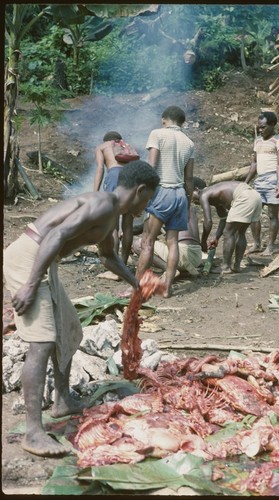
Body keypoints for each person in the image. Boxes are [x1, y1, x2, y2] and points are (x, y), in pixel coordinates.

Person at [3, 161, 159, 458]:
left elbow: (108, 257)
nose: (147, 205)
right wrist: (31, 284)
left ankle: (63, 401)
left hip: (45, 262)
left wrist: (135, 283)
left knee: (69, 329)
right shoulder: (101, 204)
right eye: (148, 198)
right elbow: (56, 236)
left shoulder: (110, 214)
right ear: (140, 191)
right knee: (42, 343)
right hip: (30, 257)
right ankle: (34, 433)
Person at [133, 105, 195, 298]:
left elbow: (151, 167)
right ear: (182, 122)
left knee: (147, 241)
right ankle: (167, 287)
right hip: (179, 195)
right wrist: (188, 202)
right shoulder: (189, 143)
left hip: (163, 192)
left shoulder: (157, 134)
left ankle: (136, 287)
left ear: (164, 120)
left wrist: (141, 196)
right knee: (173, 242)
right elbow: (189, 179)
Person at [132, 178, 206, 277]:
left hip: (183, 254)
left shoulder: (167, 204)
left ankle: (169, 269)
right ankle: (180, 267)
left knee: (139, 244)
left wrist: (127, 233)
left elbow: (147, 229)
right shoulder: (189, 208)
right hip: (197, 256)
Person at [192, 180, 262, 273]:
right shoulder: (215, 195)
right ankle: (236, 266)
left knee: (228, 232)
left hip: (243, 196)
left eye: (190, 195)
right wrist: (216, 237)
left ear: (197, 189)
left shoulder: (204, 194)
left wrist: (203, 242)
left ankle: (225, 267)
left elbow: (208, 221)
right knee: (240, 232)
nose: (192, 200)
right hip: (254, 196)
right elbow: (224, 219)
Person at [245, 111, 279, 256]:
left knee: (272, 215)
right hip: (260, 180)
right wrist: (246, 182)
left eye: (263, 127)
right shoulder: (257, 141)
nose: (261, 130)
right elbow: (254, 163)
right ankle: (256, 244)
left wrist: (278, 184)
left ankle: (270, 246)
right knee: (253, 213)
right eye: (259, 127)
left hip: (273, 179)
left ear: (272, 125)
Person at [93, 131, 136, 268]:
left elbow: (100, 168)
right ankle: (123, 262)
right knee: (128, 224)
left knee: (113, 225)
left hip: (114, 176)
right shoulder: (127, 147)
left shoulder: (103, 146)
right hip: (131, 178)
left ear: (106, 140)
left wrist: (95, 193)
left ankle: (115, 264)